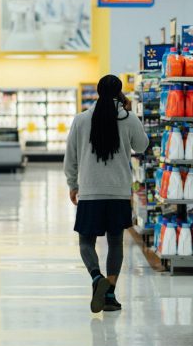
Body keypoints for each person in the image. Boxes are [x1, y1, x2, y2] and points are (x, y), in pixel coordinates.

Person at [64, 75, 149, 313]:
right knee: (115, 242)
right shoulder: (128, 118)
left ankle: (95, 278)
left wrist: (73, 184)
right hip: (119, 192)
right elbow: (142, 146)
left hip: (90, 191)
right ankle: (110, 294)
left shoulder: (81, 120)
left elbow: (70, 157)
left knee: (85, 242)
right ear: (119, 92)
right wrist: (130, 115)